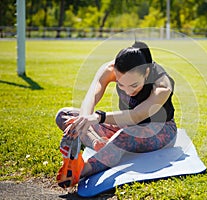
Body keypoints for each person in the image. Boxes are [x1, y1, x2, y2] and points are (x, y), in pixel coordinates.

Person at [55, 41, 177, 188]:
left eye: (134, 85)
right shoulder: (111, 69)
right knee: (65, 115)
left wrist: (99, 117)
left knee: (124, 135)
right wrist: (83, 120)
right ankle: (98, 143)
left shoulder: (162, 85)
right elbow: (92, 95)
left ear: (146, 73)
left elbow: (137, 115)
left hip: (160, 130)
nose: (127, 91)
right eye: (120, 84)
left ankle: (82, 169)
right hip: (125, 125)